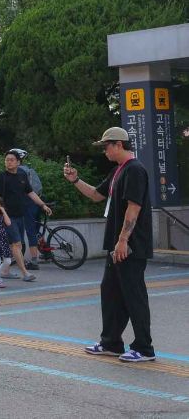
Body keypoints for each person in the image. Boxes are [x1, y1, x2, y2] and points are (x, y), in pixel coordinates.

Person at [64, 127, 156, 363]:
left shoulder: (135, 170)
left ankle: (144, 348)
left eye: (106, 146)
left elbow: (133, 208)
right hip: (117, 245)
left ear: (118, 144)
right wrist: (75, 180)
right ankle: (111, 343)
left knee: (133, 295)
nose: (104, 151)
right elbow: (96, 195)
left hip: (129, 245)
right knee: (111, 293)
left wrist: (123, 240)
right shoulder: (119, 171)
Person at [0, 151, 51, 282]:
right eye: (7, 160)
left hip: (20, 215)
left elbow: (30, 192)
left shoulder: (22, 174)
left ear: (18, 162)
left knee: (15, 244)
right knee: (17, 244)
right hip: (7, 216)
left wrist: (43, 205)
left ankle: (5, 271)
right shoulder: (0, 177)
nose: (9, 162)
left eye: (12, 160)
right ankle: (25, 273)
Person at [10, 148, 45, 270]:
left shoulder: (18, 172)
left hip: (25, 204)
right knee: (34, 230)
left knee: (29, 230)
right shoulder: (30, 169)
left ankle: (34, 261)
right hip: (35, 203)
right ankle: (44, 250)